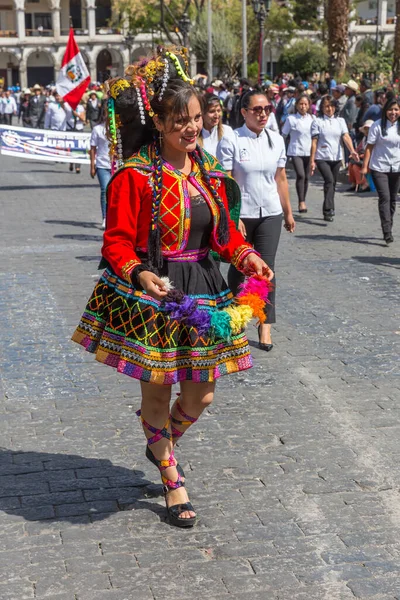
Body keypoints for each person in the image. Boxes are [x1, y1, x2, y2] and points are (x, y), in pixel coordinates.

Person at [72, 47, 273, 528]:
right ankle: (171, 478)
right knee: (158, 393)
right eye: (180, 120)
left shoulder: (209, 175)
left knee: (201, 394)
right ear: (159, 123)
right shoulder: (133, 177)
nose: (191, 128)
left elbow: (226, 237)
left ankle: (160, 443)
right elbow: (117, 242)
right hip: (154, 295)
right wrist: (139, 272)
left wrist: (250, 258)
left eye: (197, 118)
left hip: (203, 287)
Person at [219, 89, 295, 352]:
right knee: (240, 266)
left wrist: (288, 212)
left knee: (267, 268)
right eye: (257, 109)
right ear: (244, 112)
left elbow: (281, 178)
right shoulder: (232, 139)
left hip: (270, 212)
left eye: (267, 109)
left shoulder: (276, 139)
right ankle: (235, 319)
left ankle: (265, 324)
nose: (263, 114)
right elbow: (226, 182)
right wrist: (232, 215)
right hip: (243, 213)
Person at [310, 95, 359, 221]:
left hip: (336, 157)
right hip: (322, 157)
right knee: (329, 181)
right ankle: (328, 208)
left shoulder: (340, 121)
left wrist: (352, 151)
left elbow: (346, 137)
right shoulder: (317, 122)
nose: (329, 109)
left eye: (331, 106)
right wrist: (312, 160)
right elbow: (314, 142)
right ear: (322, 108)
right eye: (326, 106)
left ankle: (327, 209)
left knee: (332, 183)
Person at [361, 97, 400, 244]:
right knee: (385, 197)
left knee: (392, 199)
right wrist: (365, 166)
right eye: (390, 109)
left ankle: (388, 222)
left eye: (396, 109)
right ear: (385, 111)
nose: (393, 113)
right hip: (379, 167)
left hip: (397, 167)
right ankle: (387, 231)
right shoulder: (377, 126)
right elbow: (369, 147)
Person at [282, 94, 314, 213]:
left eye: (305, 104)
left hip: (309, 151)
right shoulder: (291, 119)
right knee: (300, 175)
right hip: (295, 151)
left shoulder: (312, 119)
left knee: (306, 177)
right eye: (301, 104)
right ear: (296, 105)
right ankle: (301, 202)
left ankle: (303, 199)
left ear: (309, 105)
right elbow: (284, 135)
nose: (303, 106)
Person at [90, 109, 111, 229]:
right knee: (105, 189)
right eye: (106, 112)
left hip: (116, 165)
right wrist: (92, 166)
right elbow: (92, 148)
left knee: (116, 193)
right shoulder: (97, 129)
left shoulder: (118, 129)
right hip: (102, 165)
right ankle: (105, 217)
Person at [66, 100, 86, 174]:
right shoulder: (67, 107)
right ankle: (71, 162)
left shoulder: (81, 107)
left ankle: (78, 166)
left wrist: (76, 114)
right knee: (70, 147)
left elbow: (83, 119)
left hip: (78, 128)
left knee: (78, 148)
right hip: (70, 128)